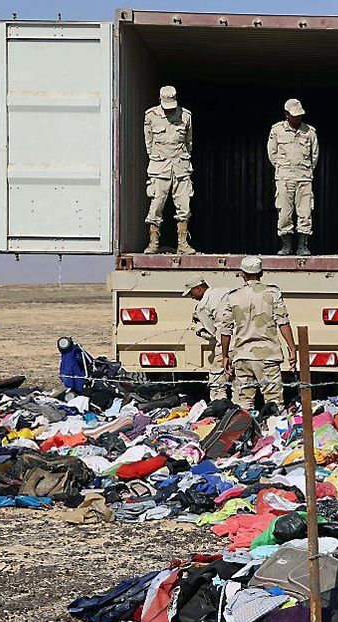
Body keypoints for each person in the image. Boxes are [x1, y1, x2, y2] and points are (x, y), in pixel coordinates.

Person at [221, 257, 297, 412]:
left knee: (242, 405)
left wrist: (224, 355)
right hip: (268, 355)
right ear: (261, 273)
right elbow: (283, 321)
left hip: (243, 356)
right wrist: (292, 347)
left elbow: (226, 330)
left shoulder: (233, 296)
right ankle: (275, 431)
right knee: (274, 403)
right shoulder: (272, 293)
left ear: (242, 274)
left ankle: (243, 434)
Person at [143, 86, 195, 255]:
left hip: (180, 166)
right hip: (160, 168)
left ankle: (182, 244)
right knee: (156, 205)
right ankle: (153, 243)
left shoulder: (186, 116)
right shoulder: (150, 116)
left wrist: (181, 159)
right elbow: (148, 143)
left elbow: (189, 142)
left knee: (184, 206)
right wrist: (158, 158)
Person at [268, 98, 319, 256]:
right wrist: (284, 168)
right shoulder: (277, 131)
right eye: (294, 115)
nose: (297, 118)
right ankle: (286, 246)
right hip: (284, 177)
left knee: (305, 213)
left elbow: (314, 156)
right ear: (286, 115)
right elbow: (272, 153)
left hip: (304, 178)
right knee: (284, 213)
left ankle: (303, 246)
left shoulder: (310, 132)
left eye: (299, 115)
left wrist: (305, 170)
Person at [184, 276, 231, 402]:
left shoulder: (202, 307)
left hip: (225, 343)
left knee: (216, 380)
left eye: (191, 293)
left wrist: (198, 329)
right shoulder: (224, 291)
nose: (191, 297)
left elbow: (212, 333)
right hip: (243, 339)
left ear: (198, 288)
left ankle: (219, 405)